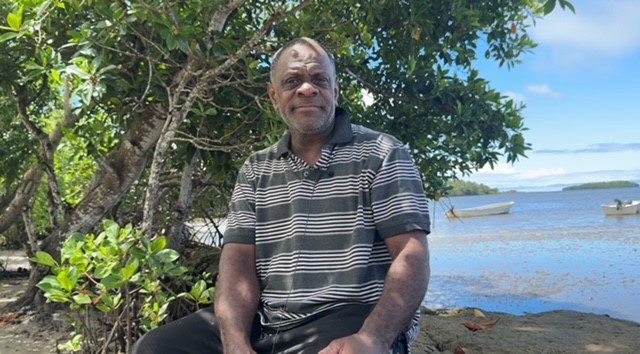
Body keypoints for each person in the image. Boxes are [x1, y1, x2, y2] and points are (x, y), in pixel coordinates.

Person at [133, 37, 430, 354]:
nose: (307, 89)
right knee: (154, 348)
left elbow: (411, 255)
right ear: (274, 95)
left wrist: (374, 338)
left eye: (319, 79)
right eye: (292, 81)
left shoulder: (382, 153)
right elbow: (238, 264)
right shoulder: (256, 169)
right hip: (268, 321)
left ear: (335, 90)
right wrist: (235, 344)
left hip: (349, 316)